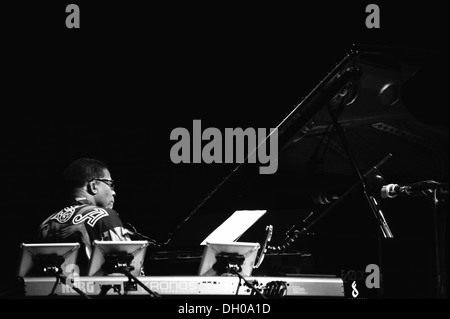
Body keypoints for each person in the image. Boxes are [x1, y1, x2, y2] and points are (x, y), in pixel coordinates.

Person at [35, 158, 131, 275]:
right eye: (110, 184)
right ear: (93, 186)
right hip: (95, 293)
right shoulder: (105, 215)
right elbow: (127, 273)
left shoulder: (46, 223)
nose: (114, 192)